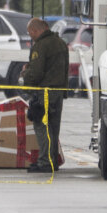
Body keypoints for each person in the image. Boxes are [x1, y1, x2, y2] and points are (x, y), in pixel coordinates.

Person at [23, 17, 69, 173]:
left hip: (44, 92)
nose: (31, 37)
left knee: (42, 126)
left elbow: (36, 72)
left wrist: (25, 73)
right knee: (54, 128)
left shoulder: (40, 46)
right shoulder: (61, 43)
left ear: (35, 30)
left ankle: (45, 162)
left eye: (31, 34)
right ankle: (52, 161)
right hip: (59, 91)